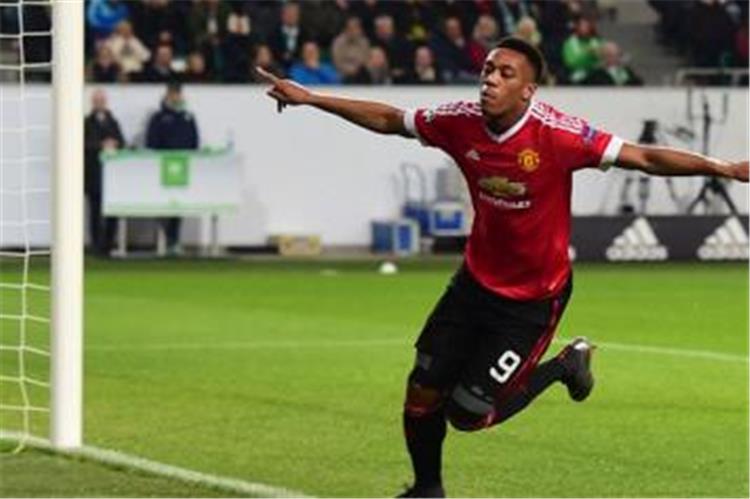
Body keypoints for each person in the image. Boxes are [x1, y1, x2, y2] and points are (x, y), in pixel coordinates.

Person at [256, 36, 749, 497]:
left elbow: (643, 157)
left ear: (528, 90)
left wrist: (723, 168)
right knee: (422, 392)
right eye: (488, 70)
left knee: (468, 413)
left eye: (504, 73)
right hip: (473, 285)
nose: (489, 79)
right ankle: (427, 490)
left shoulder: (559, 135)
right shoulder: (459, 121)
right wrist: (312, 99)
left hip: (533, 300)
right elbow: (391, 120)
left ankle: (565, 364)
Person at [145, 82, 200, 256]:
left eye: (178, 93)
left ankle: (173, 240)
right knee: (162, 206)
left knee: (178, 205)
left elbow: (194, 142)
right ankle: (163, 240)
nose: (176, 97)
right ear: (168, 95)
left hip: (182, 169)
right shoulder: (158, 117)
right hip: (162, 169)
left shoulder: (188, 117)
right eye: (173, 93)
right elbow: (151, 142)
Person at [84, 89, 125, 256]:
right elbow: (82, 144)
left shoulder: (113, 122)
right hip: (94, 174)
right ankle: (96, 245)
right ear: (93, 102)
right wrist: (101, 145)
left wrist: (114, 143)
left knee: (112, 211)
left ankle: (108, 244)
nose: (100, 103)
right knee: (95, 211)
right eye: (97, 100)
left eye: (102, 100)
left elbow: (122, 142)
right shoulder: (86, 122)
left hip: (112, 176)